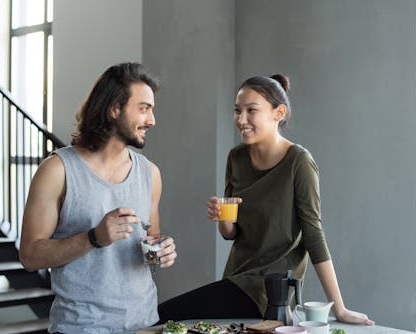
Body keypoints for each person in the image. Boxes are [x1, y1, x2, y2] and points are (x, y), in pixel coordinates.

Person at [158, 74, 374, 326]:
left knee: (161, 316)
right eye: (237, 110)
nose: (241, 120)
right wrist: (222, 216)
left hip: (271, 291)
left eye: (251, 110)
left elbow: (314, 235)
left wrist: (339, 308)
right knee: (167, 321)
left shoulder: (299, 162)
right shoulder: (236, 158)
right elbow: (230, 233)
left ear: (278, 113)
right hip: (236, 280)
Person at [19, 62, 177, 333]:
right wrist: (93, 238)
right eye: (143, 109)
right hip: (80, 327)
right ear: (114, 109)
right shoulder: (57, 170)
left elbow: (152, 238)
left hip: (144, 324)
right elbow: (30, 255)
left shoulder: (150, 174)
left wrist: (163, 250)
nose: (152, 120)